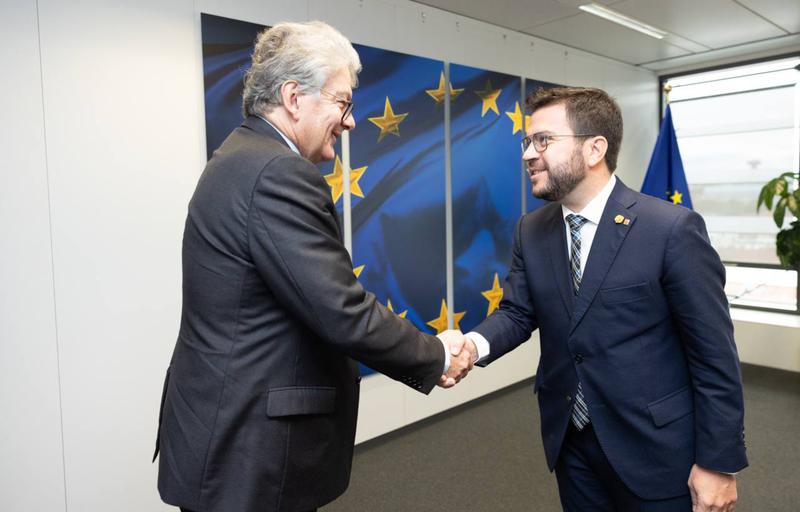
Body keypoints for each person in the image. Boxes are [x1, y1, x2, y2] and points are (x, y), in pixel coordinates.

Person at [153, 21, 473, 512]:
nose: (350, 121)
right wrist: (434, 353)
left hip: (221, 434)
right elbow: (340, 309)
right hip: (247, 449)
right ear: (294, 97)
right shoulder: (277, 173)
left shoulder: (239, 158)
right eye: (342, 102)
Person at [463, 87, 747, 511]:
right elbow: (518, 313)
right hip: (572, 446)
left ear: (595, 148)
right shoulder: (531, 230)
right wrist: (470, 346)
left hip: (656, 450)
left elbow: (714, 355)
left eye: (543, 140)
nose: (527, 154)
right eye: (527, 142)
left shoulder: (670, 230)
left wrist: (718, 463)